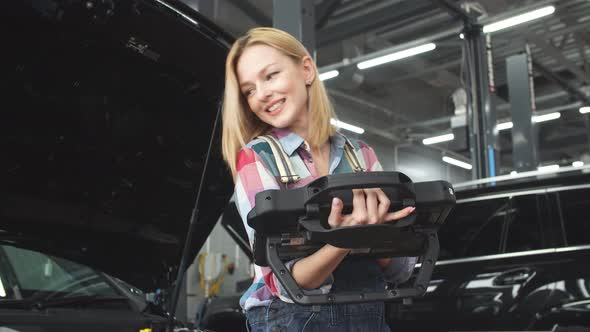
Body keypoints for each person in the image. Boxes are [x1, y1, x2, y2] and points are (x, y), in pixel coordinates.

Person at [221, 27, 417, 332]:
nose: (261, 94)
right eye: (249, 89)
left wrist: (376, 232)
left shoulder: (360, 154)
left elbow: (400, 272)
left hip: (367, 317)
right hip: (292, 321)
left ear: (306, 70)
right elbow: (284, 283)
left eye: (270, 75)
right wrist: (345, 239)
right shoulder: (256, 157)